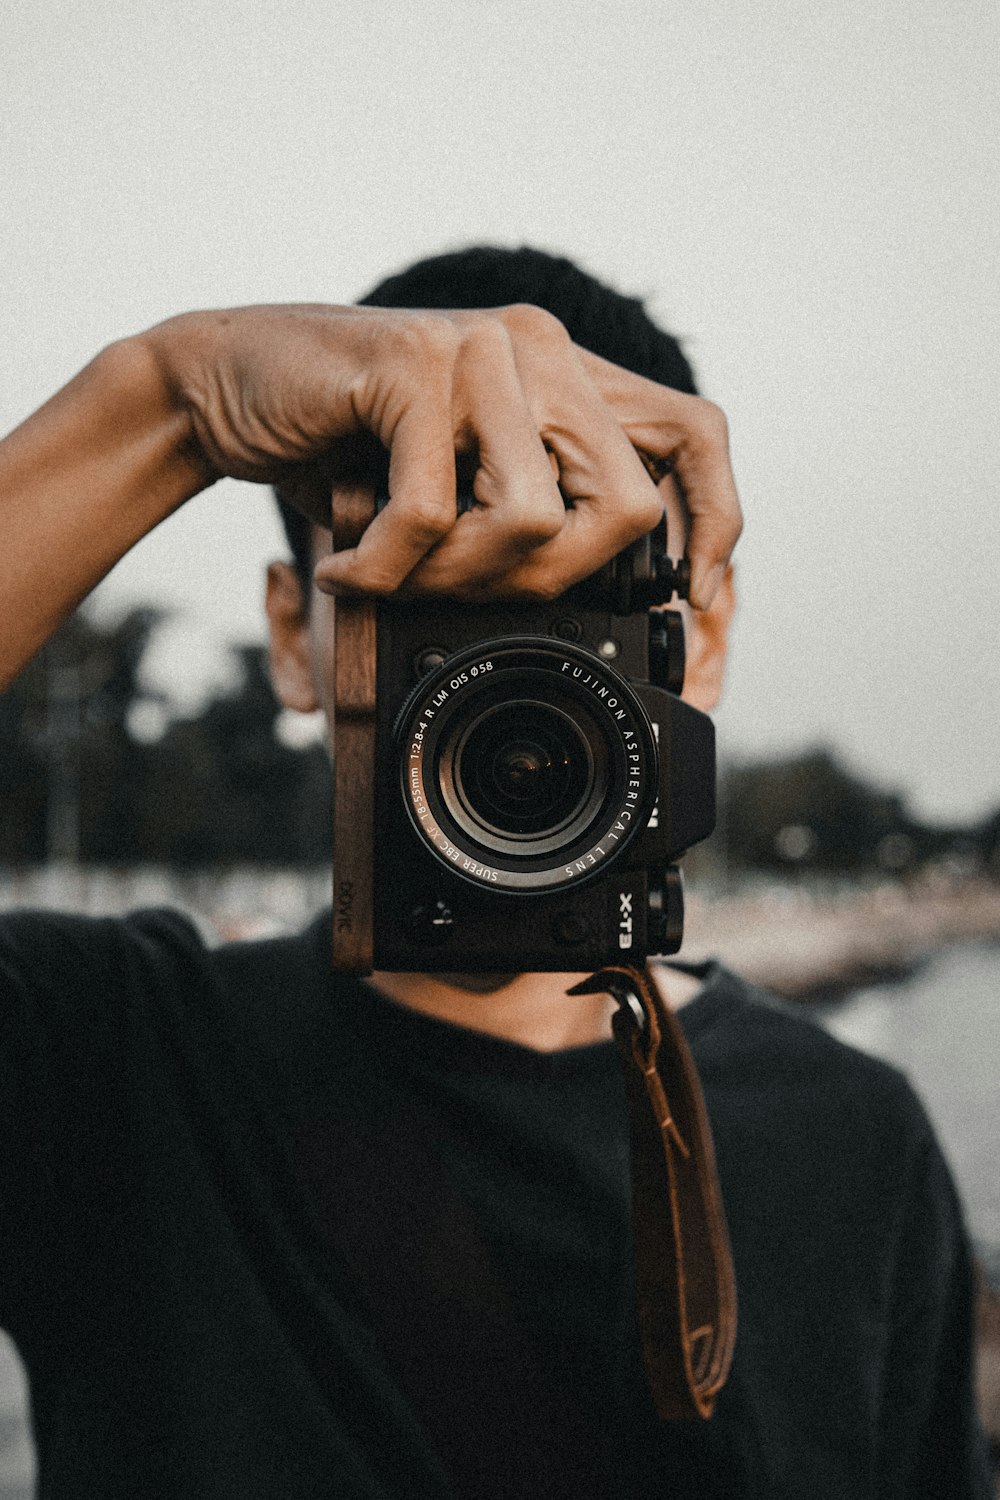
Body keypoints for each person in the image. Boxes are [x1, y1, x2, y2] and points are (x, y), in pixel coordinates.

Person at [0, 247, 989, 1499]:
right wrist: (172, 400)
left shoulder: (856, 1138)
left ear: (705, 636)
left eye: (589, 599)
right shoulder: (101, 1060)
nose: (510, 674)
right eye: (419, 600)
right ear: (292, 640)